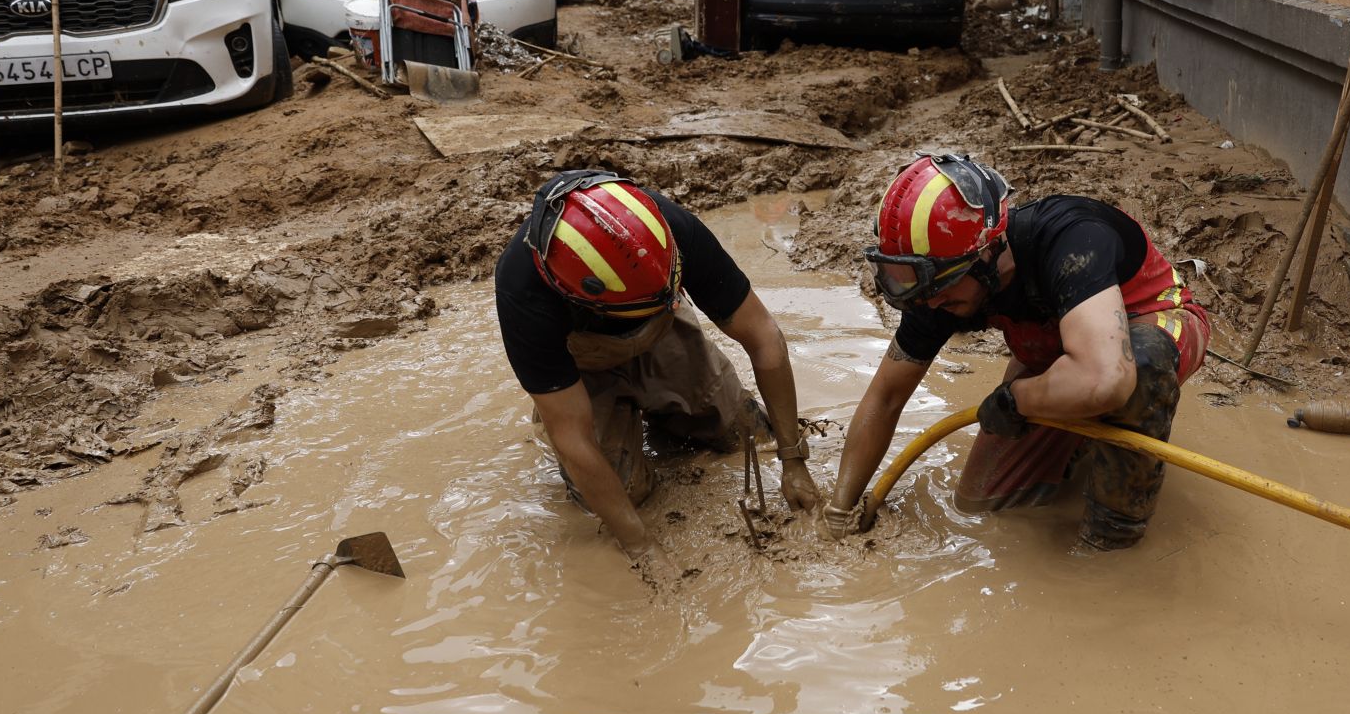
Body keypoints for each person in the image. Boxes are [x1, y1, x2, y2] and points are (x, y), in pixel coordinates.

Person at [819, 153, 1210, 551]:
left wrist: (1017, 398)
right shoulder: (939, 287)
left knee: (1135, 372)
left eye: (940, 289)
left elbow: (1106, 378)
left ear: (988, 254)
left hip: (1152, 327)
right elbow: (885, 398)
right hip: (1060, 353)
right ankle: (1081, 442)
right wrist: (840, 509)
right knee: (979, 501)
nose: (930, 304)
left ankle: (1111, 538)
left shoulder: (1070, 237)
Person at [495, 170, 821, 586]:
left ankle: (666, 409)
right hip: (581, 364)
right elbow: (573, 435)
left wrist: (793, 459)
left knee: (744, 435)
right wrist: (641, 547)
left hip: (660, 325)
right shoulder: (523, 289)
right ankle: (566, 408)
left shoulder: (667, 228)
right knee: (621, 496)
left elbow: (764, 338)